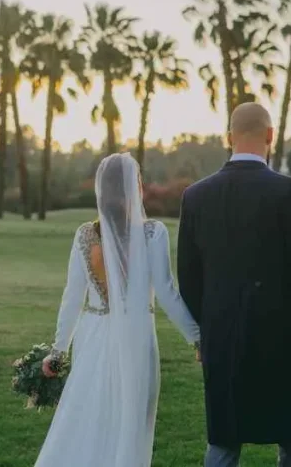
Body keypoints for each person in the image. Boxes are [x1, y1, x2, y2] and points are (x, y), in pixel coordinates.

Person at [177, 102, 291, 467]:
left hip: (223, 339)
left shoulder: (195, 196)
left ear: (228, 138)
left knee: (224, 442)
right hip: (282, 339)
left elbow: (188, 277)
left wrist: (203, 332)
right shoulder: (289, 191)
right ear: (270, 135)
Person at [34, 153, 200, 467]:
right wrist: (197, 337)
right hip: (136, 336)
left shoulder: (85, 235)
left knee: (90, 414)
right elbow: (166, 292)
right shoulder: (153, 233)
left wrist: (57, 351)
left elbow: (73, 297)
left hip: (92, 335)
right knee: (133, 419)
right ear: (132, 186)